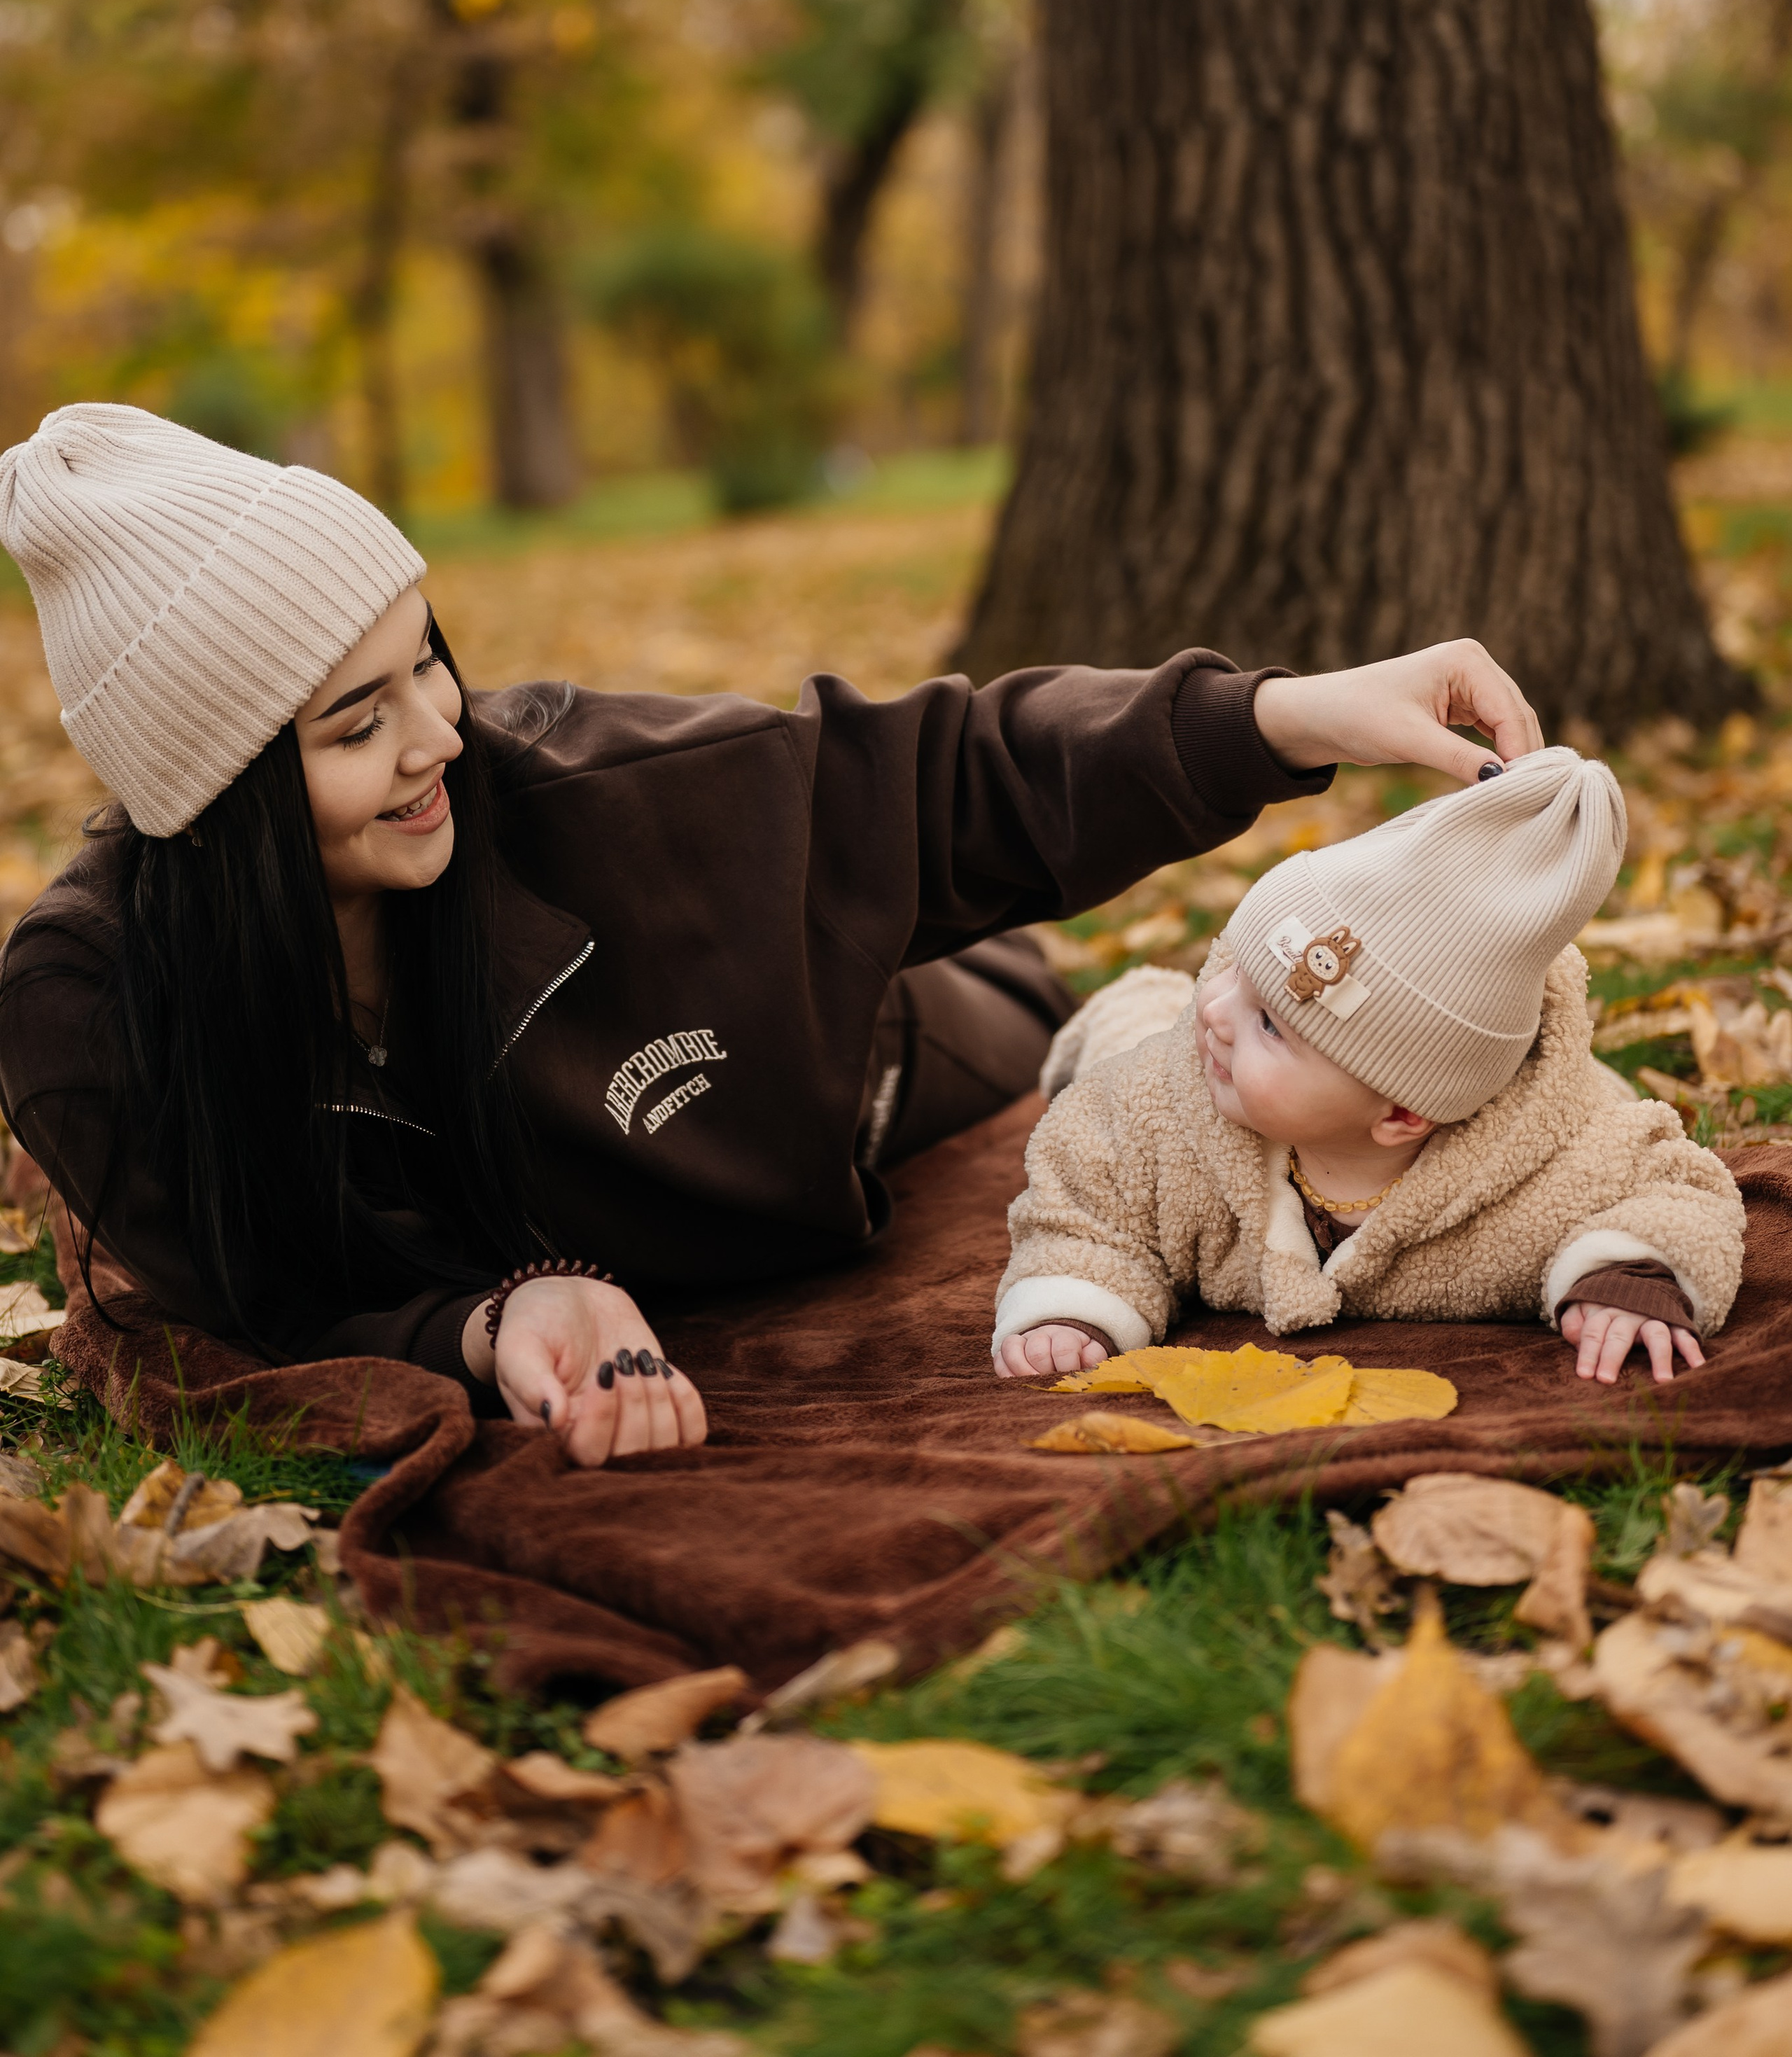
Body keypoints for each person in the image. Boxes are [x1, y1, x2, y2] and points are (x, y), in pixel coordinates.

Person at [0, 403, 1544, 1471]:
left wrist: (1278, 717)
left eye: (428, 665)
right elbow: (249, 1294)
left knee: (1064, 1028)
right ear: (217, 802)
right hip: (662, 1196)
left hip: (876, 1049)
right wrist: (484, 1323)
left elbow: (948, 783)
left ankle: (1126, 1024)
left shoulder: (595, 790)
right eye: (358, 722)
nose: (439, 738)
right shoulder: (90, 1021)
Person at [993, 749, 1744, 1390]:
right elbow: (1085, 1196)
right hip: (1149, 1055)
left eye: (1268, 1023)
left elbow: (1671, 1186)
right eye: (1237, 969)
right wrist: (1073, 1300)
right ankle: (1125, 1002)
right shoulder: (1154, 1111)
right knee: (1141, 1027)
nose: (1215, 1010)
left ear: (1399, 1115)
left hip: (1494, 1108)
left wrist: (1627, 1276)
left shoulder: (1549, 1166)